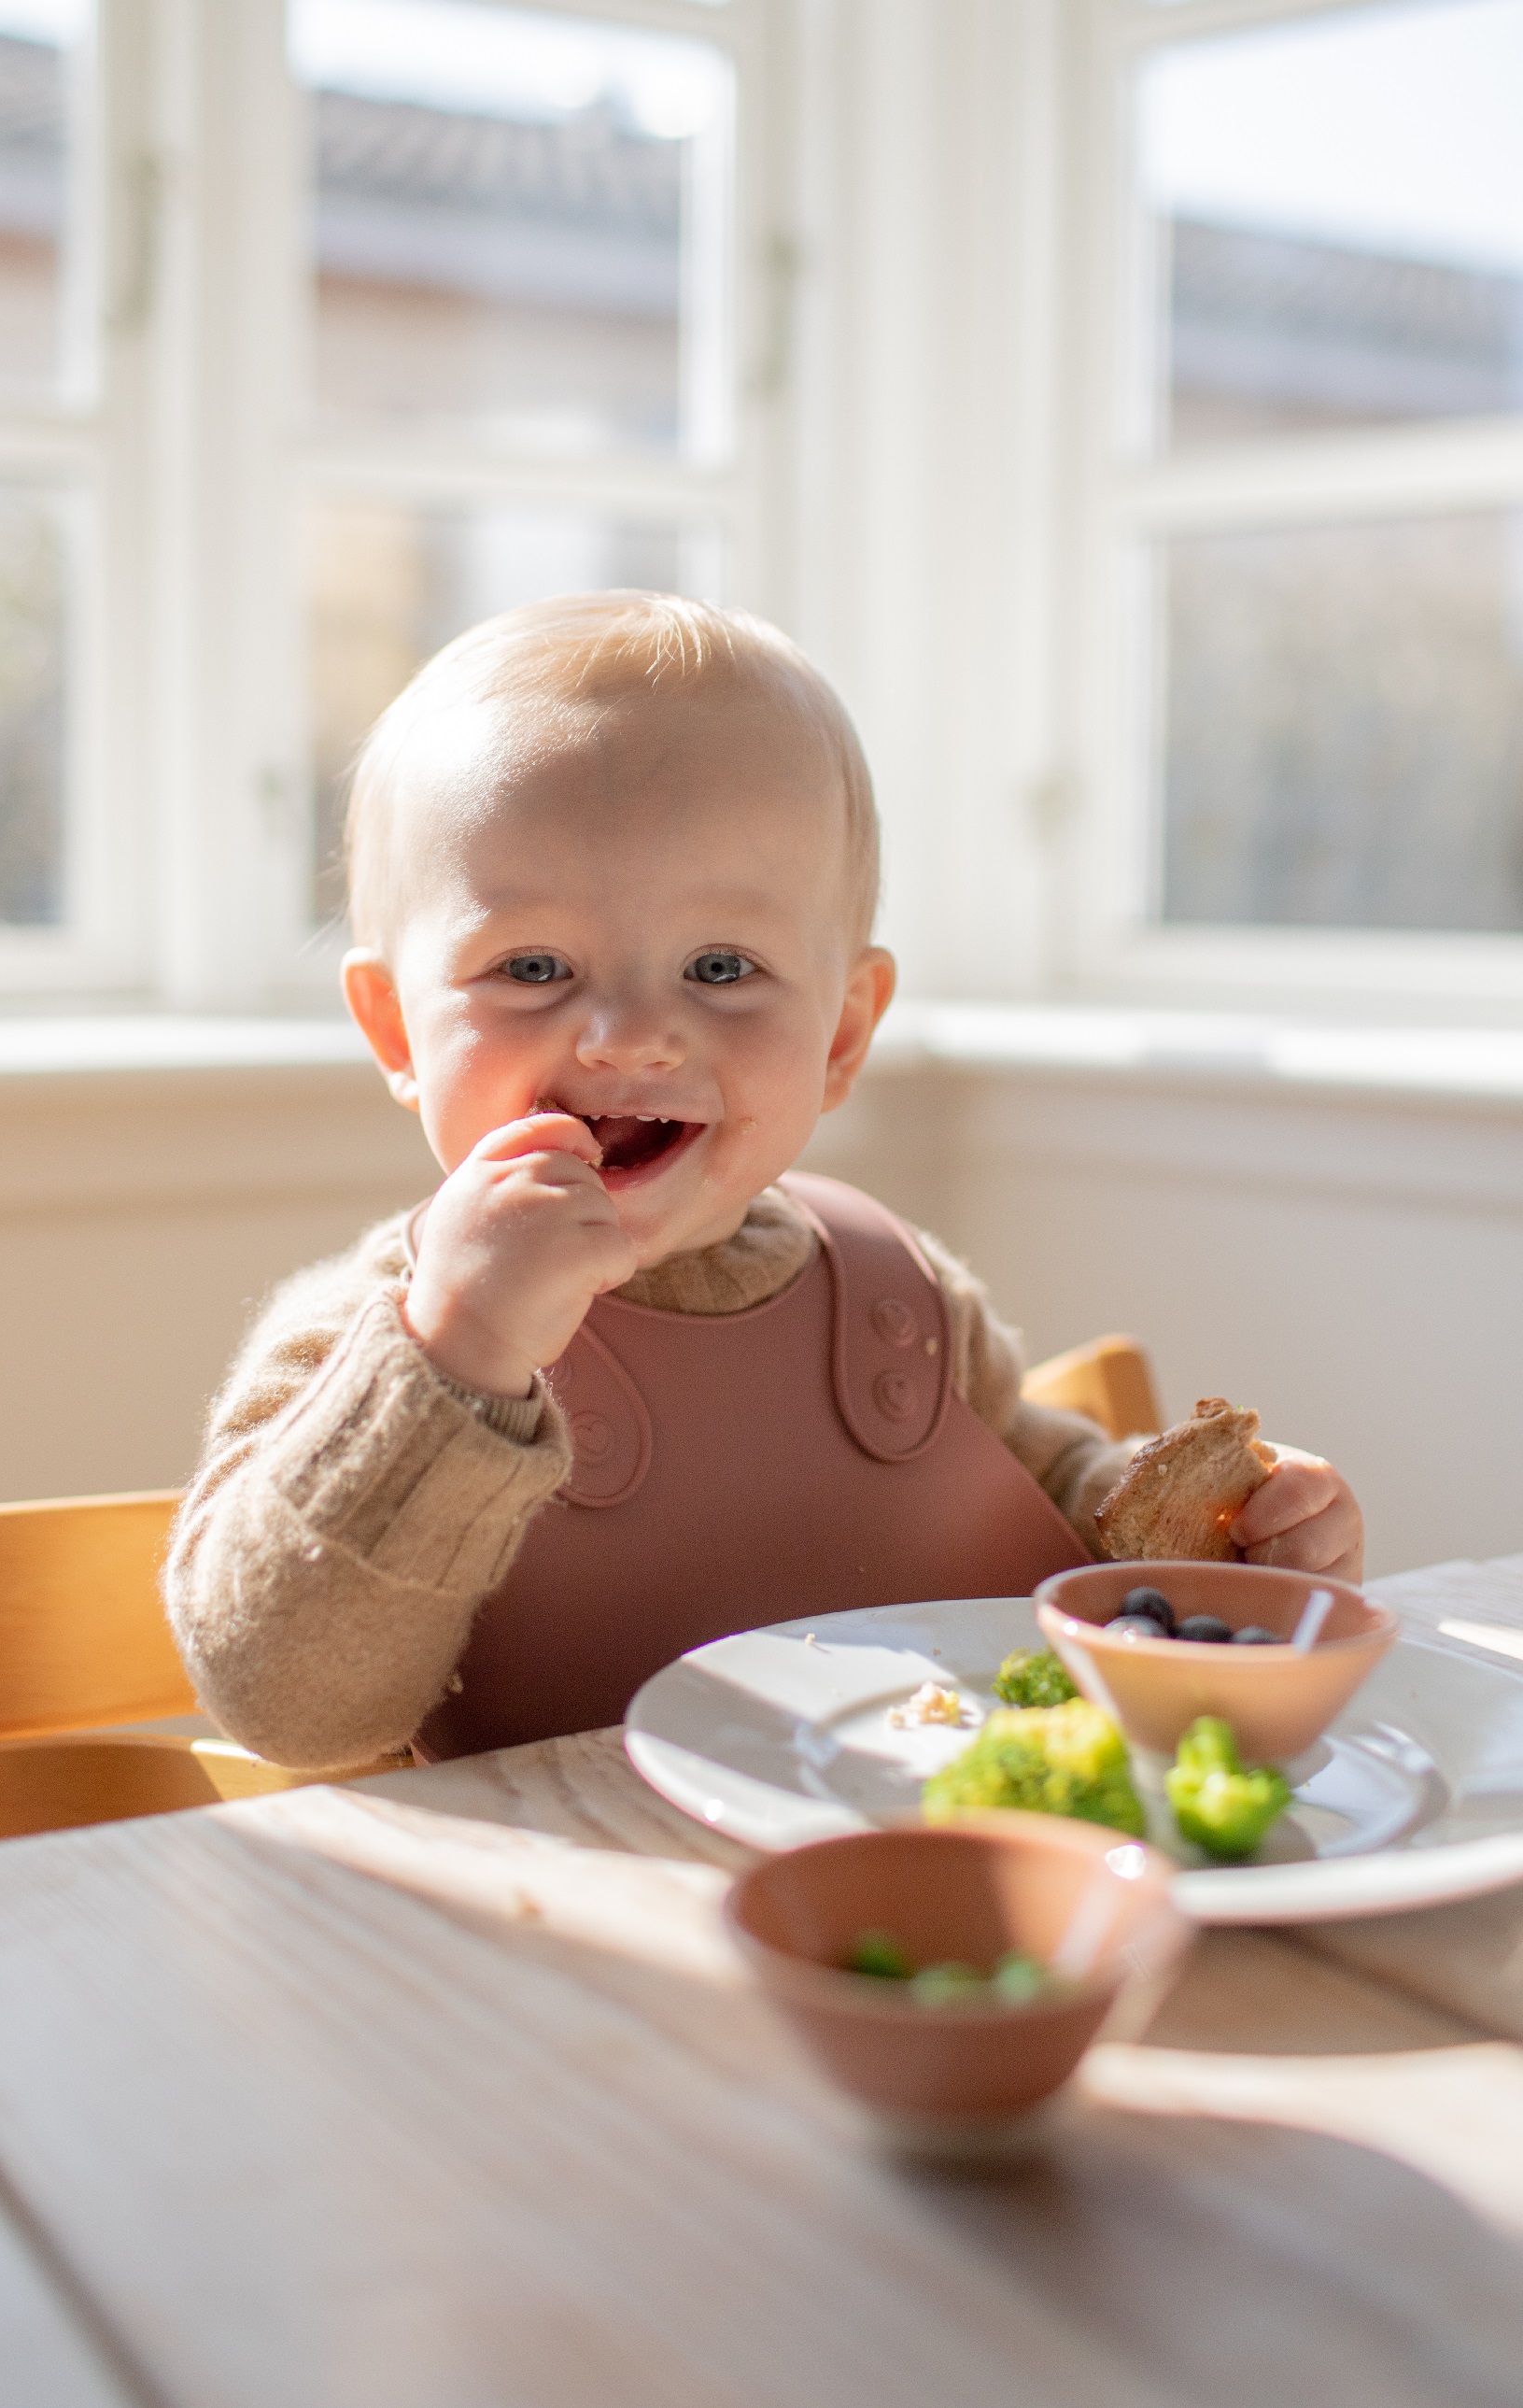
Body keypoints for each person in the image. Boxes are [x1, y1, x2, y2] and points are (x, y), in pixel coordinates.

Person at [164, 593, 1363, 1769]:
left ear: (842, 1035)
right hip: (569, 1929)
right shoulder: (368, 1334)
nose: (631, 1035)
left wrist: (1222, 1552)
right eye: (532, 966)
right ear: (393, 1030)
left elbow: (1050, 1511)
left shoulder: (894, 1298)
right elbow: (282, 1705)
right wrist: (455, 1357)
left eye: (720, 965)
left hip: (917, 1905)